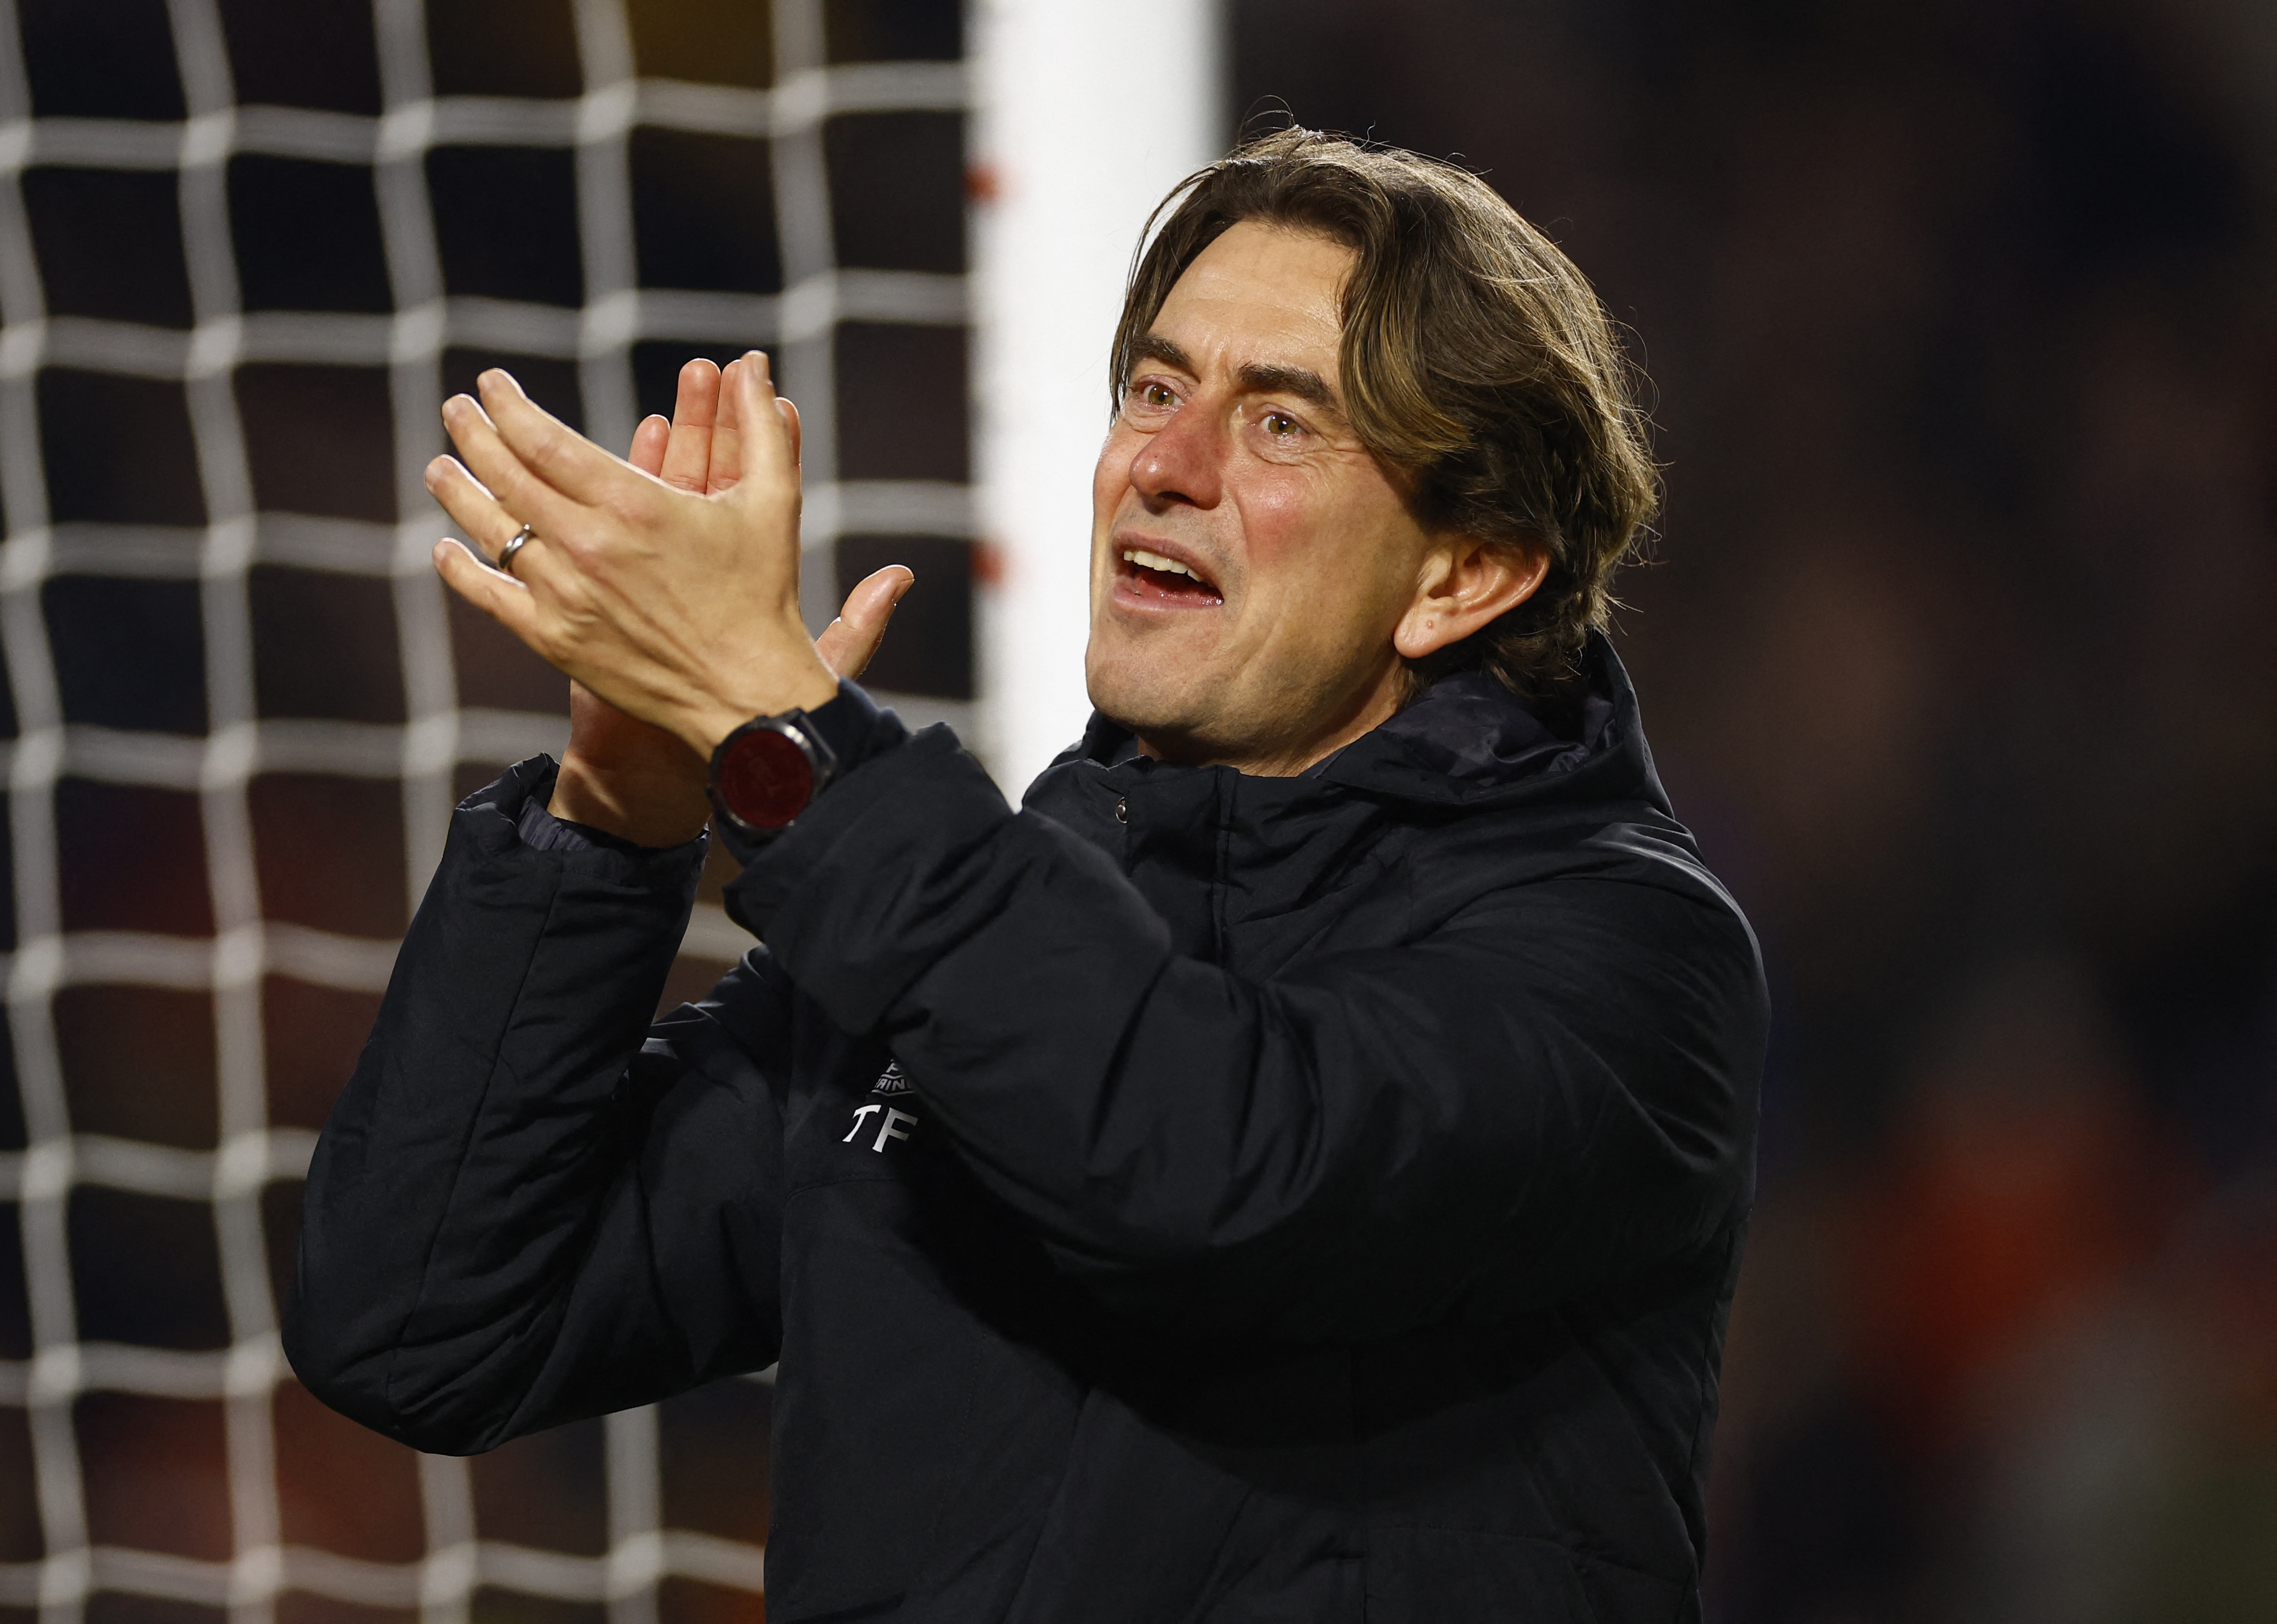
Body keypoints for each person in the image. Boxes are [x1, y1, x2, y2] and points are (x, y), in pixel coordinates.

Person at [286, 128, 1766, 1622]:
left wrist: (784, 733)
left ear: (1465, 572)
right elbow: (421, 1326)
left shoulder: (1618, 950)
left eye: (1280, 424)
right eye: (1155, 388)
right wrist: (617, 811)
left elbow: (1203, 1163)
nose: (1164, 466)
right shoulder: (970, 924)